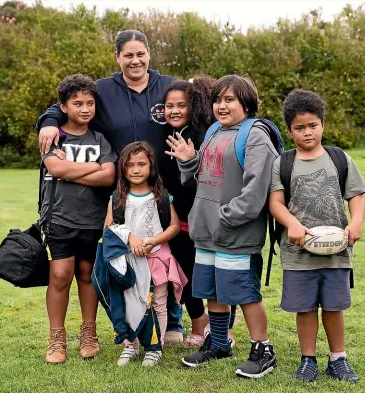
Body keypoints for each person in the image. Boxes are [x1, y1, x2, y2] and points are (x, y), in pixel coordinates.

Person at [36, 29, 184, 344]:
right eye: (127, 55)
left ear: (149, 54)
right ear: (117, 57)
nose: (135, 60)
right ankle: (131, 326)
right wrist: (48, 122)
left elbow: (199, 107)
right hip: (117, 196)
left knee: (165, 254)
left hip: (163, 190)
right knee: (126, 258)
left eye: (140, 54)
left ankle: (172, 323)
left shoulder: (169, 86)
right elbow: (65, 104)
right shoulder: (103, 90)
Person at [166, 75, 278, 379]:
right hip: (207, 232)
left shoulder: (255, 136)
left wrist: (227, 217)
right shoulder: (216, 131)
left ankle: (262, 349)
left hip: (236, 233)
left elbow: (257, 190)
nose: (221, 106)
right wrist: (189, 160)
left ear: (246, 102)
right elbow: (202, 174)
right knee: (212, 289)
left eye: (229, 99)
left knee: (244, 293)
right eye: (217, 99)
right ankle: (218, 343)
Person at [269, 89, 365, 383]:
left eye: (313, 125)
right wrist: (292, 224)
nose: (307, 132)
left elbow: (356, 195)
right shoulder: (283, 163)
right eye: (299, 128)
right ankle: (308, 359)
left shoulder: (339, 158)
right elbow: (275, 202)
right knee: (306, 307)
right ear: (289, 131)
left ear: (322, 124)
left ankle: (338, 359)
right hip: (298, 254)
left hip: (337, 251)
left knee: (335, 306)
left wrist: (357, 222)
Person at [41, 74, 116, 364]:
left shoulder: (99, 138)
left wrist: (71, 167)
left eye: (89, 103)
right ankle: (56, 338)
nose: (85, 109)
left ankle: (89, 333)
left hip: (93, 221)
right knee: (60, 276)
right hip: (59, 218)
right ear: (63, 106)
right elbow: (56, 170)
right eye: (77, 103)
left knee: (87, 275)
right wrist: (93, 167)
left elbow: (109, 175)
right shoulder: (52, 135)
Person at [161, 77, 238, 346]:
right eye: (169, 105)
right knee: (185, 275)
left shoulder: (206, 134)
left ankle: (224, 329)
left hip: (208, 220)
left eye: (182, 105)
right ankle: (198, 321)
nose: (174, 110)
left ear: (193, 106)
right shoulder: (163, 134)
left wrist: (189, 161)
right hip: (177, 220)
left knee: (218, 273)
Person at [102, 141, 187, 366]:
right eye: (130, 165)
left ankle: (154, 347)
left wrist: (151, 241)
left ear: (151, 167)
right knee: (130, 302)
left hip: (156, 256)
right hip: (128, 260)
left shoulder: (160, 196)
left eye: (142, 164)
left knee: (158, 302)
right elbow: (108, 228)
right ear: (123, 168)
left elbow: (174, 227)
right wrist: (131, 239)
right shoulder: (117, 198)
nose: (136, 169)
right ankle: (131, 345)